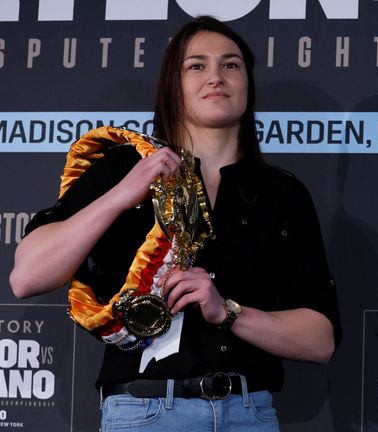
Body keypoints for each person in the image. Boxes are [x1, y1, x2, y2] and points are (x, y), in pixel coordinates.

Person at [9, 16, 341, 431]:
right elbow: (27, 276)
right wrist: (120, 196)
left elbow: (320, 340)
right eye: (196, 65)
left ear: (248, 84)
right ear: (173, 85)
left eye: (231, 64)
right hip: (144, 414)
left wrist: (228, 312)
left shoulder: (284, 194)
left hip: (248, 415)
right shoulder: (126, 167)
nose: (216, 77)